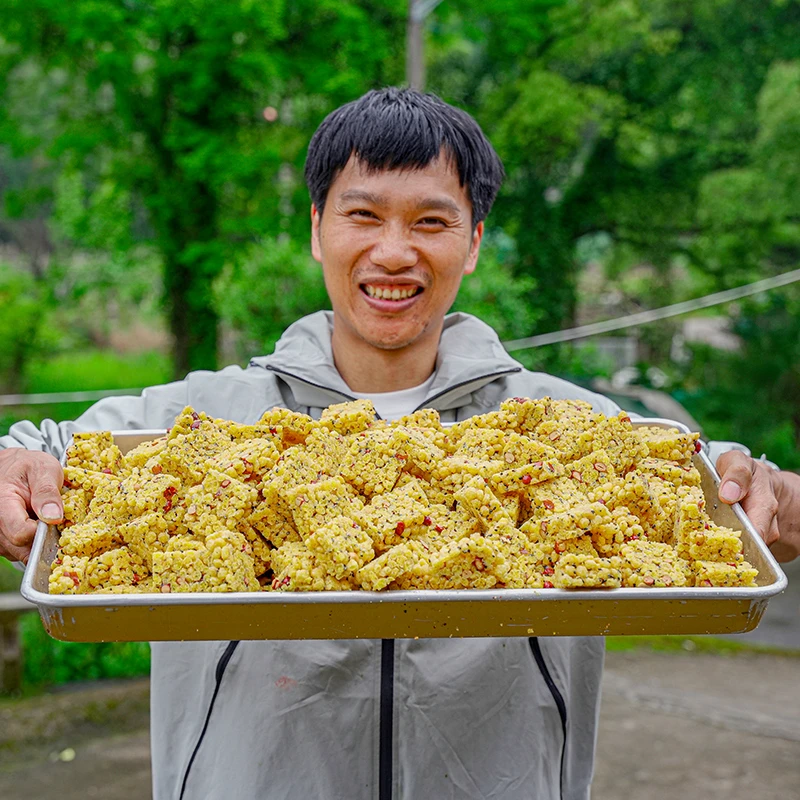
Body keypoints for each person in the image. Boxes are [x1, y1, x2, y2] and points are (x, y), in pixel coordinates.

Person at [0, 88, 797, 800]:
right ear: (316, 230)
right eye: (363, 214)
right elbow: (40, 447)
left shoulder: (571, 431)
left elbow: (710, 471)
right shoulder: (203, 421)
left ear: (474, 241)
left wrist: (770, 493)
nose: (392, 251)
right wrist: (13, 470)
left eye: (430, 221)